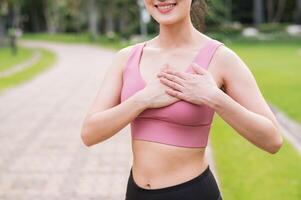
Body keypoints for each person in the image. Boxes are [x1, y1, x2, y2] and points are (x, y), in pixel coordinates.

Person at [80, 0, 283, 199]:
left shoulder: (221, 58)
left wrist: (214, 97)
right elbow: (89, 134)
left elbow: (272, 140)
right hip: (136, 192)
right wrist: (142, 100)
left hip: (192, 193)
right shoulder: (126, 58)